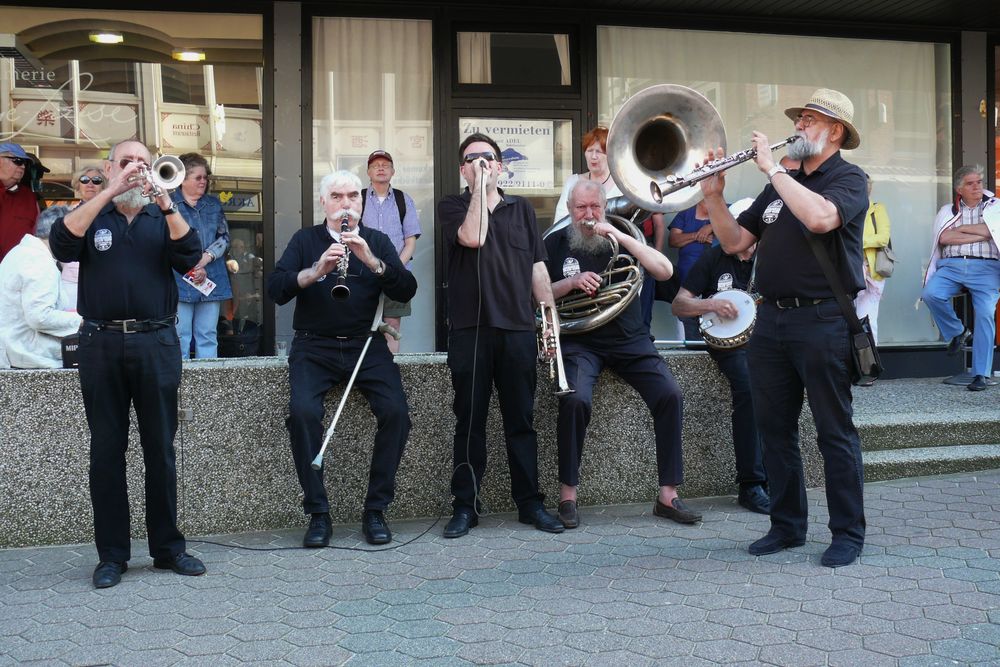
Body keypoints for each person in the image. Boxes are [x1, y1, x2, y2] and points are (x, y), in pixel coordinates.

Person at [699, 88, 869, 568]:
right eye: (799, 119)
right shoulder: (779, 186)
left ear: (836, 132)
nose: (798, 127)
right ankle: (788, 525)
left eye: (810, 120)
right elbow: (735, 242)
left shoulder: (850, 179)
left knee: (834, 432)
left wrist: (773, 170)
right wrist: (714, 198)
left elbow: (820, 219)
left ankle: (847, 534)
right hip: (771, 321)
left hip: (823, 320)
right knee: (773, 428)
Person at [49, 140, 206, 588]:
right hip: (100, 343)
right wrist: (107, 190)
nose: (135, 170)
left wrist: (165, 199)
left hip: (156, 340)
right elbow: (62, 245)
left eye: (142, 162)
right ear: (110, 167)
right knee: (106, 451)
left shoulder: (164, 213)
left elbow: (190, 256)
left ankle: (168, 549)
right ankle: (112, 555)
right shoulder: (94, 214)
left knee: (160, 448)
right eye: (126, 163)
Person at [268, 170, 416, 546]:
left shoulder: (378, 240)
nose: (346, 203)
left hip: (365, 345)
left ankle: (376, 510)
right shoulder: (305, 239)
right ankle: (318, 513)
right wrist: (316, 271)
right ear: (323, 202)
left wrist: (372, 261)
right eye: (337, 196)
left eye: (353, 196)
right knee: (302, 414)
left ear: (362, 203)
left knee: (397, 413)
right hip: (314, 346)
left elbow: (407, 287)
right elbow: (276, 289)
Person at [545, 179, 699, 529]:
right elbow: (535, 296)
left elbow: (664, 271)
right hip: (581, 340)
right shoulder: (554, 243)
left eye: (594, 207)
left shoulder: (624, 235)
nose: (588, 215)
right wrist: (570, 283)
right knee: (574, 400)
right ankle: (568, 496)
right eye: (581, 208)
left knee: (670, 394)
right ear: (570, 209)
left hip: (631, 340)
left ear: (604, 206)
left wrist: (621, 236)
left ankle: (667, 495)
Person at [438, 132, 564, 538]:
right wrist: (478, 190)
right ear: (463, 169)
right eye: (473, 159)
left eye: (488, 158)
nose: (481, 163)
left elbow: (537, 269)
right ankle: (465, 506)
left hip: (516, 331)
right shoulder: (452, 206)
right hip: (470, 332)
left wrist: (550, 322)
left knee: (521, 422)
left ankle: (530, 503)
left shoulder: (523, 210)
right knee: (469, 422)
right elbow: (472, 237)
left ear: (501, 166)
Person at [671, 243, 770, 514]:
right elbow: (679, 305)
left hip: (771, 339)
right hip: (730, 345)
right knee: (749, 388)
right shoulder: (714, 255)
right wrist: (711, 304)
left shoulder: (772, 252)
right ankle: (751, 484)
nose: (745, 246)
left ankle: (778, 478)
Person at [553, 126, 665, 329]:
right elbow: (559, 223)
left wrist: (653, 248)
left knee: (638, 314)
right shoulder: (573, 181)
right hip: (583, 252)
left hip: (622, 254)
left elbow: (651, 214)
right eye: (589, 150)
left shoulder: (626, 182)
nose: (593, 156)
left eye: (600, 151)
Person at [921, 165, 1000, 391]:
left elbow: (992, 232)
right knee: (930, 294)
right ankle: (958, 331)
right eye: (970, 183)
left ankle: (981, 375)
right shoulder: (948, 211)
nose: (977, 186)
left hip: (987, 268)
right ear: (959, 189)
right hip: (951, 266)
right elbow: (944, 237)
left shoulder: (995, 208)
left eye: (979, 181)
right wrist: (979, 231)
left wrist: (964, 228)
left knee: (985, 313)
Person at [0, 206, 82, 368]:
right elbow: (40, 316)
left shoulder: (20, 252)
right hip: (27, 356)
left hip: (13, 353)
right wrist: (83, 321)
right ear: (61, 234)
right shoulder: (39, 261)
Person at [171, 153, 233, 359]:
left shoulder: (213, 205)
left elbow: (224, 237)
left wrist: (205, 258)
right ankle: (180, 386)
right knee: (180, 335)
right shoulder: (168, 204)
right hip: (179, 278)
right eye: (198, 177)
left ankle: (208, 384)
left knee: (208, 334)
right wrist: (190, 264)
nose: (203, 181)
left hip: (211, 276)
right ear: (183, 179)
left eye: (205, 177)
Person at [360, 149, 421, 353]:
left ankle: (389, 369)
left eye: (385, 165)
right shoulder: (357, 199)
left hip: (396, 273)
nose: (380, 168)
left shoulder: (404, 200)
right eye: (375, 165)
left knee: (392, 325)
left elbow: (410, 242)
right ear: (368, 172)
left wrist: (391, 269)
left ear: (393, 172)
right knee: (361, 323)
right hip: (363, 274)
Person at [61, 165, 108, 310]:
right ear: (78, 184)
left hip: (104, 282)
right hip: (71, 283)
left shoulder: (113, 215)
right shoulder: (66, 215)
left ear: (103, 186)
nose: (90, 184)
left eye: (96, 180)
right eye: (85, 179)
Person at [669, 200, 715, 339]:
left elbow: (733, 235)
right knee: (686, 320)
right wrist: (698, 235)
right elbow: (673, 240)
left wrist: (710, 226)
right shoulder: (685, 213)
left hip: (715, 277)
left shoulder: (727, 210)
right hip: (687, 277)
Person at [854, 174, 891, 342]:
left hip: (871, 272)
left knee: (866, 319)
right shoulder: (846, 209)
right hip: (848, 271)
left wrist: (857, 242)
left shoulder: (878, 209)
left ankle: (869, 363)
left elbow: (883, 238)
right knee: (848, 321)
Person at [0, 142, 39, 263]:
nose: (22, 166)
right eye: (17, 161)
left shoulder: (29, 197)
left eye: (25, 163)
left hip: (17, 271)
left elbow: (37, 233)